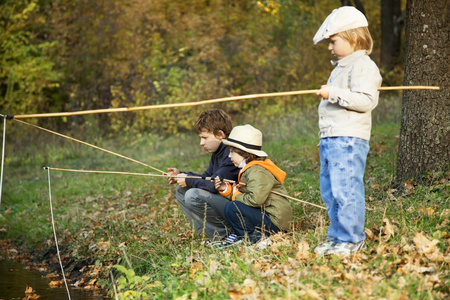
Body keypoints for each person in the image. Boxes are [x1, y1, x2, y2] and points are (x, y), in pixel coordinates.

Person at [312, 6, 382, 256]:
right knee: (330, 191)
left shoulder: (363, 65)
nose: (330, 47)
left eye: (333, 41)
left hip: (349, 140)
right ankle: (337, 236)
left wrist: (334, 93)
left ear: (353, 37)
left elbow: (365, 101)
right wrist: (325, 138)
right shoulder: (340, 68)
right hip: (333, 139)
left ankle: (352, 238)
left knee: (346, 189)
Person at [212, 124, 292, 249]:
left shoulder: (257, 170)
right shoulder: (251, 169)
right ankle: (253, 237)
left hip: (276, 221)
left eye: (232, 152)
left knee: (232, 208)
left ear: (244, 153)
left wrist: (235, 195)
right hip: (267, 215)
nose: (229, 156)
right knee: (233, 208)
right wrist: (225, 189)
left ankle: (255, 239)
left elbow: (256, 199)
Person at [167, 109, 240, 241]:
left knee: (192, 195)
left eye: (205, 138)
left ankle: (226, 235)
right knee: (182, 190)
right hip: (225, 204)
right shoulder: (217, 154)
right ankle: (208, 233)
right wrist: (182, 175)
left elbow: (213, 185)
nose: (201, 143)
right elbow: (205, 177)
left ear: (220, 135)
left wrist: (188, 180)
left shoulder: (231, 155)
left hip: (238, 209)